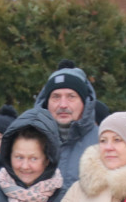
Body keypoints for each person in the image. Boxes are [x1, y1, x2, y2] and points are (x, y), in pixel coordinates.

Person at [33, 59, 99, 188]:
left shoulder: (104, 142)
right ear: (46, 103)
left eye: (71, 96)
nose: (63, 105)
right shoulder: (29, 139)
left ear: (85, 102)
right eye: (56, 97)